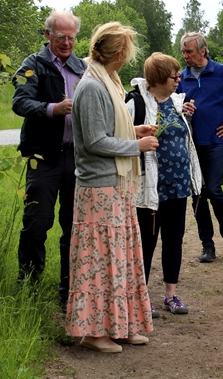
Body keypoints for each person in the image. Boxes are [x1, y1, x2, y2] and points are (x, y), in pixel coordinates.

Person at [65, 22, 159, 353]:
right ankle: (93, 332)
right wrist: (138, 146)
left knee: (119, 258)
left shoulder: (110, 82)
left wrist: (134, 131)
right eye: (127, 52)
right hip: (97, 190)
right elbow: (94, 141)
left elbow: (109, 130)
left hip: (116, 185)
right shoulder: (91, 87)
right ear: (118, 54)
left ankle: (122, 324)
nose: (127, 58)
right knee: (99, 260)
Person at [12, 11, 86, 311]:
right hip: (43, 157)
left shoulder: (83, 67)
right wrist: (53, 108)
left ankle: (68, 290)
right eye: (60, 37)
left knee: (74, 226)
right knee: (37, 223)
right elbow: (20, 102)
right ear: (47, 36)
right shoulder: (33, 64)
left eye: (71, 37)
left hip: (76, 157)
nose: (67, 43)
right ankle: (28, 286)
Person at [126, 53, 202, 318]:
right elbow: (121, 136)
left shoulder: (176, 101)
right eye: (174, 76)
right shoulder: (135, 102)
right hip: (149, 187)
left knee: (174, 239)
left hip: (177, 184)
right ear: (158, 78)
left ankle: (171, 295)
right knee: (146, 242)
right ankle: (141, 298)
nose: (178, 80)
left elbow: (182, 137)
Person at [177, 32, 223, 263]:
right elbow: (169, 109)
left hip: (216, 142)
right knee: (198, 194)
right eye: (184, 52)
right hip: (190, 144)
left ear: (202, 51)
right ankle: (207, 245)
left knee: (214, 189)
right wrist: (181, 109)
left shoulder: (222, 73)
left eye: (189, 51)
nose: (185, 56)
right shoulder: (181, 79)